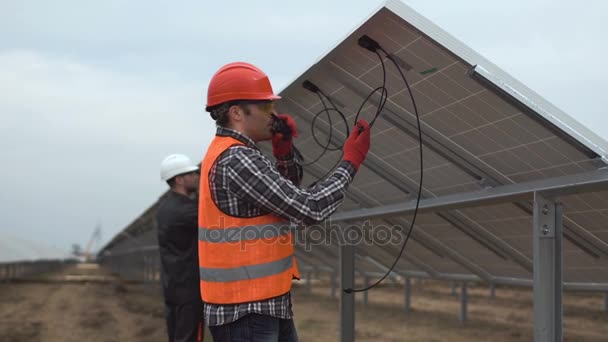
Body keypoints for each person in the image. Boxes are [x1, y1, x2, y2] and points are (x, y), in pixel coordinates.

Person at [198, 62, 371, 341]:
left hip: (263, 304)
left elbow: (281, 199)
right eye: (266, 107)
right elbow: (309, 208)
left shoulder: (236, 153)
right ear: (237, 113)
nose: (274, 114)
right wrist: (351, 161)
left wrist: (284, 152)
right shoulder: (236, 159)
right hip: (247, 311)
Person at [157, 154, 205, 342]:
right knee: (189, 337)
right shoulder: (185, 210)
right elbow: (213, 220)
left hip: (173, 284)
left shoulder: (166, 206)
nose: (197, 175)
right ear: (179, 179)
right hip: (189, 288)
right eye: (191, 173)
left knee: (178, 335)